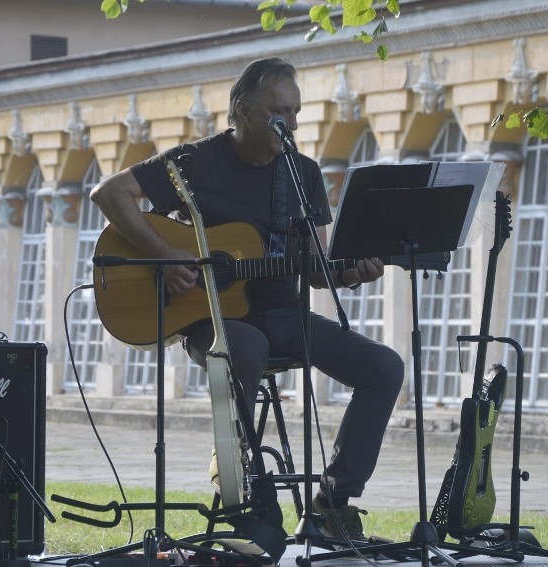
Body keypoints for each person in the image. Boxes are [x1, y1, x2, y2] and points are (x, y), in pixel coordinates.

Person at [90, 57, 404, 541]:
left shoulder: (302, 173)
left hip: (282, 314)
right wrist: (169, 255)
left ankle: (333, 502)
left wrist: (350, 272)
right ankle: (245, 482)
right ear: (242, 109)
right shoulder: (193, 162)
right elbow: (109, 193)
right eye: (281, 112)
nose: (292, 124)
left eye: (296, 112)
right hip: (207, 317)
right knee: (245, 346)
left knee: (384, 366)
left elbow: (318, 270)